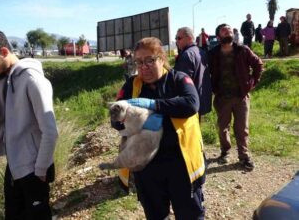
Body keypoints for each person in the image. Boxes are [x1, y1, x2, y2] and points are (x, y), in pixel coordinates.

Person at [113, 37, 206, 219]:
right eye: (139, 62)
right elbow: (115, 118)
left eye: (149, 60)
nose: (144, 67)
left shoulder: (178, 79)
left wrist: (153, 105)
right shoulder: (132, 85)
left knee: (190, 215)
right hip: (147, 168)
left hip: (181, 164)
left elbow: (191, 104)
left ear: (162, 59)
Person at [0, 30, 58, 220]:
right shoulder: (4, 80)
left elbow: (50, 131)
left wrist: (41, 169)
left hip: (34, 168)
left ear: (4, 51)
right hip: (14, 167)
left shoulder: (32, 79)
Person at [208, 24, 263, 170]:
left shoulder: (242, 50)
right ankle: (225, 151)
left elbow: (258, 64)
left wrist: (252, 82)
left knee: (241, 128)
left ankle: (243, 157)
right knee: (222, 127)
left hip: (241, 97)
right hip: (222, 98)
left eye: (230, 30)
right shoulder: (213, 53)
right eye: (224, 31)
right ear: (218, 36)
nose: (228, 32)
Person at [174, 27, 212, 122]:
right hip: (201, 98)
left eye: (179, 38)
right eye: (176, 38)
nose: (176, 41)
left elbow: (181, 82)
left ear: (189, 38)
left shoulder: (187, 54)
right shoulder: (200, 51)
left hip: (190, 103)